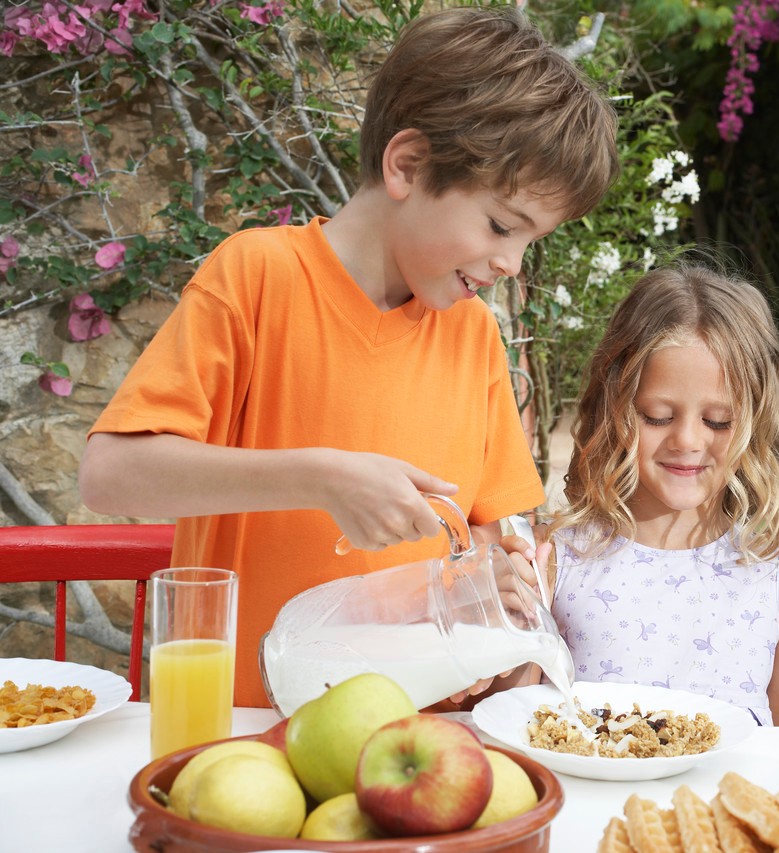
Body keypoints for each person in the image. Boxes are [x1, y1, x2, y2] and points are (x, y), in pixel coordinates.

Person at [77, 6, 619, 708]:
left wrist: (508, 587)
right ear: (408, 165)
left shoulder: (473, 335)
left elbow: (492, 536)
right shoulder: (256, 277)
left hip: (421, 744)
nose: (512, 263)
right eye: (500, 226)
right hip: (247, 731)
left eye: (529, 241)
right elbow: (112, 474)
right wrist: (323, 477)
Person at [530, 260, 779, 726]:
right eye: (656, 416)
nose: (688, 441)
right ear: (615, 408)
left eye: (718, 421)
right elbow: (516, 719)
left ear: (756, 423)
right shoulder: (555, 559)